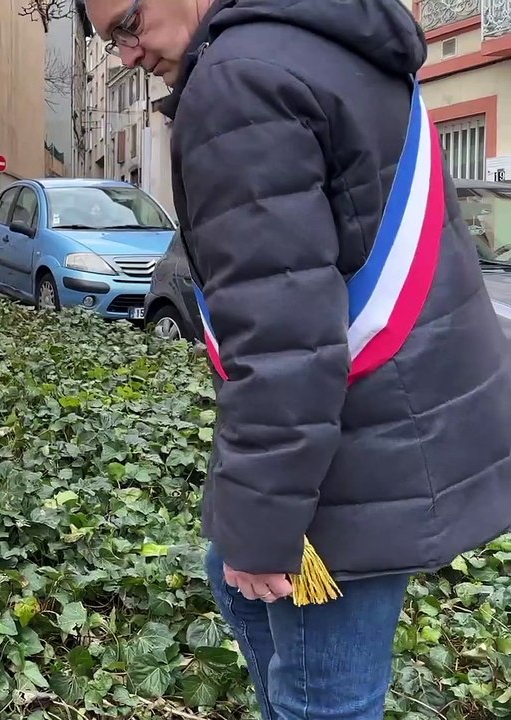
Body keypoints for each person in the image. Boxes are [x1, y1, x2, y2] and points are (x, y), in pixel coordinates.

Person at [85, 0, 511, 717]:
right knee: (232, 578)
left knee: (321, 700)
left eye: (129, 25)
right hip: (399, 426)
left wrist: (267, 529)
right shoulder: (326, 39)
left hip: (349, 465)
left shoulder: (236, 81)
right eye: (110, 43)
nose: (127, 55)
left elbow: (282, 338)